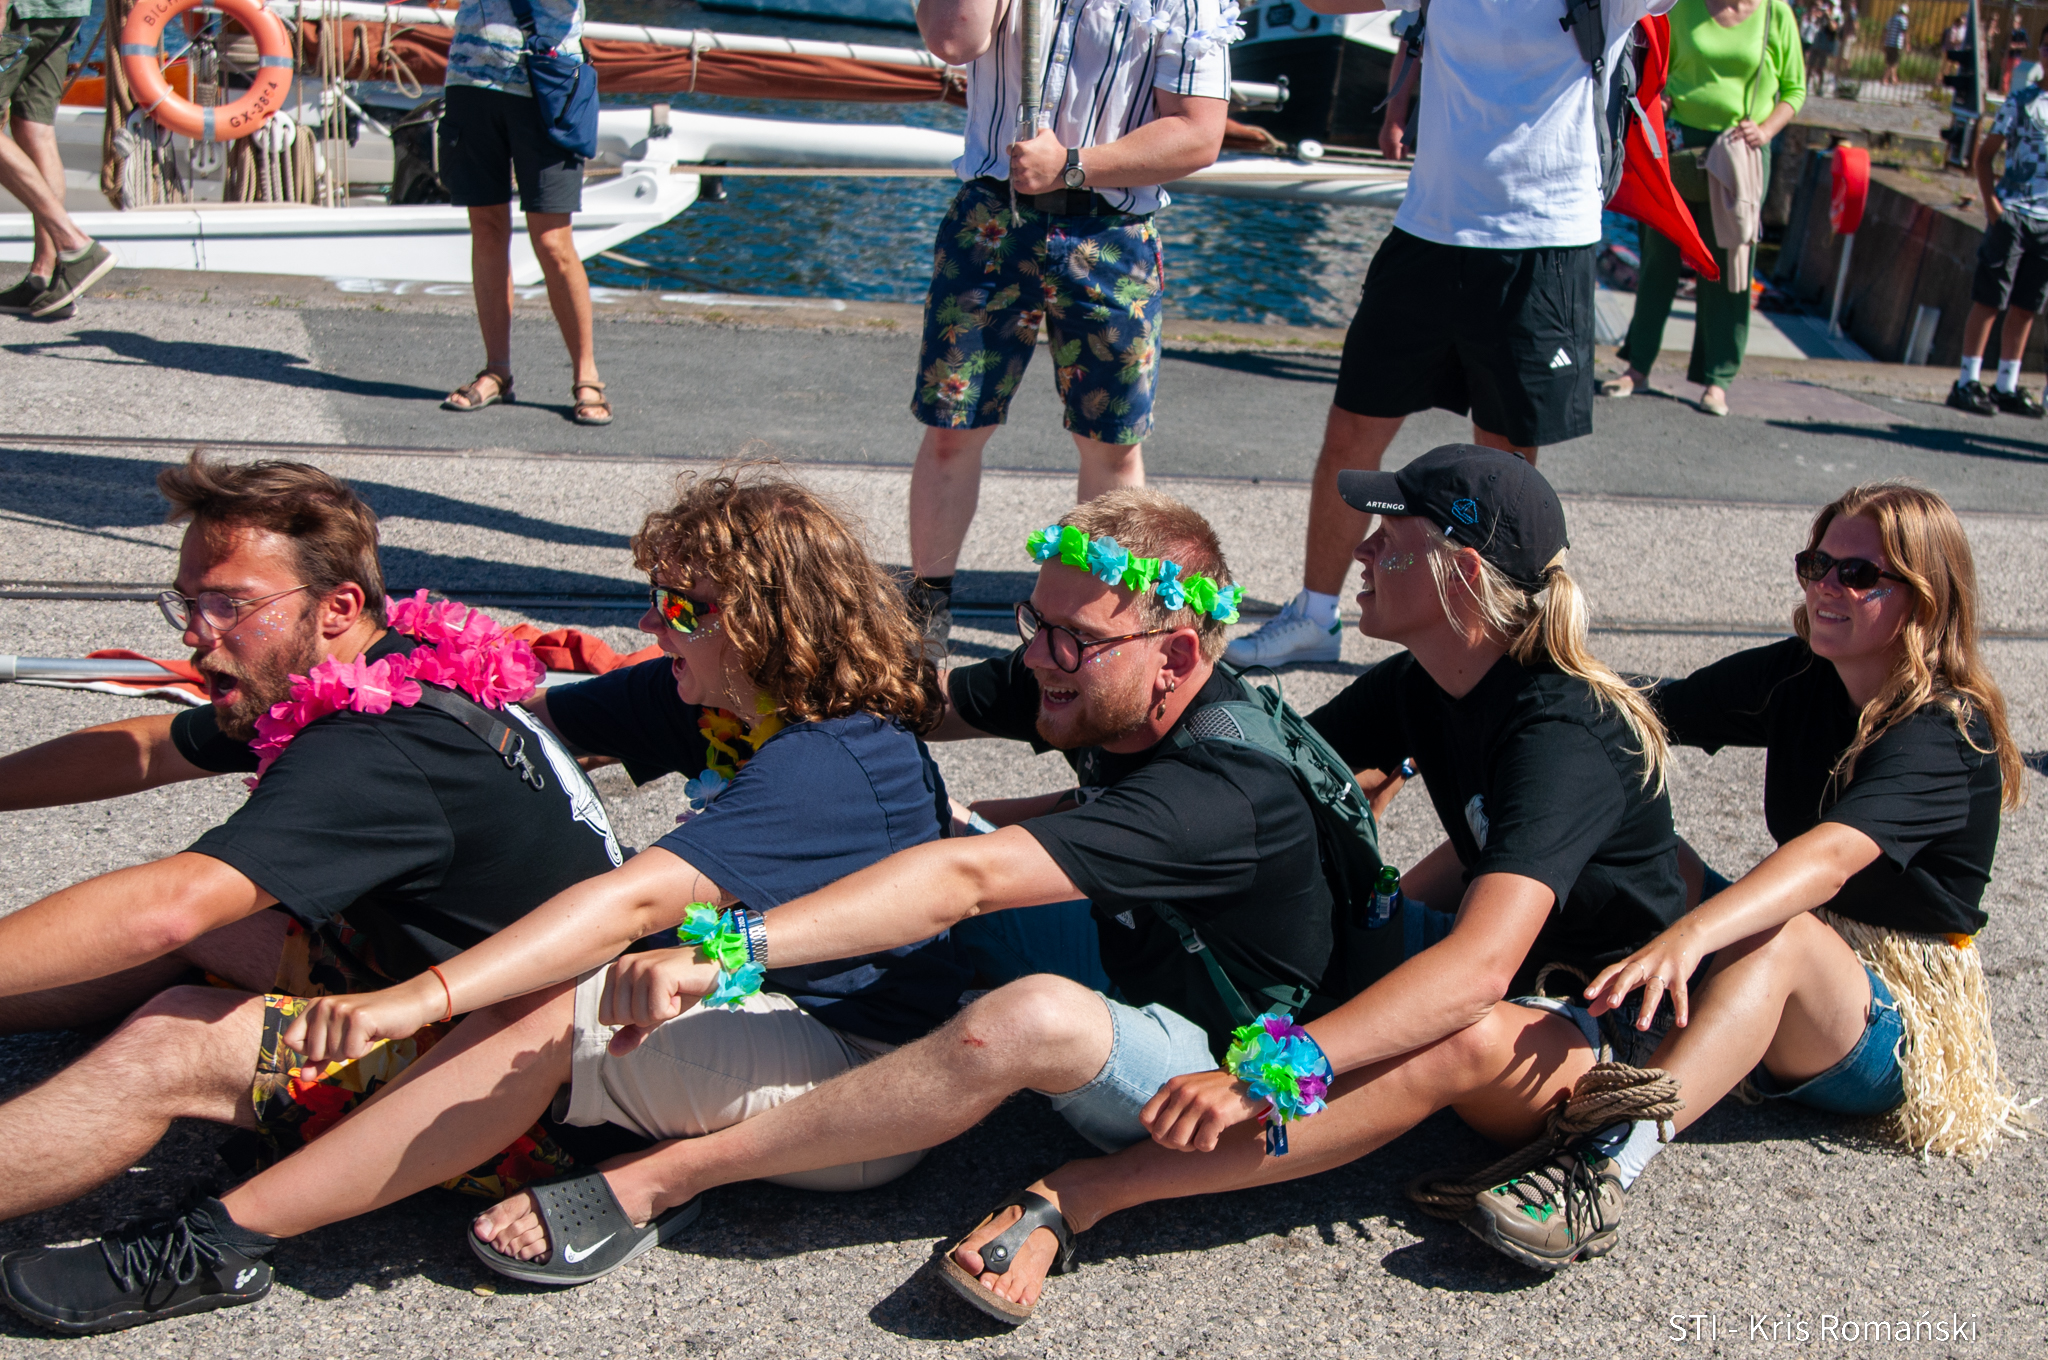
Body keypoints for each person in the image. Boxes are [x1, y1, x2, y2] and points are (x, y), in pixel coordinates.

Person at [0, 469, 993, 1333]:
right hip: (717, 993)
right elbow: (516, 725)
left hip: (850, 1083)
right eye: (656, 600)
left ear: (771, 620)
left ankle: (218, 1243)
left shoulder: (830, 759)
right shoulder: (703, 693)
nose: (651, 625)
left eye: (681, 608)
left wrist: (416, 999)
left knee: (545, 1001)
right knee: (250, 934)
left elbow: (625, 905)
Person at [0, 453, 624, 1236]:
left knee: (174, 1039)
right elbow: (154, 747)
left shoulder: (376, 750)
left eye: (228, 603)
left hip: (536, 1096)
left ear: (337, 607)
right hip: (455, 985)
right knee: (219, 923)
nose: (195, 633)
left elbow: (168, 909)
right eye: (189, 601)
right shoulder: (391, 660)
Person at [1462, 481, 2025, 1268]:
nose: (1827, 588)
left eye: (1858, 575)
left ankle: (1601, 1168)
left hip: (1891, 1016)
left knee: (1778, 935)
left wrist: (1690, 935)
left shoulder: (1946, 728)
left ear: (1926, 596)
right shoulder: (1803, 675)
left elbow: (1829, 860)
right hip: (1798, 951)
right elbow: (1640, 713)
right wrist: (1475, 715)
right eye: (1816, 565)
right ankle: (1485, 972)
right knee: (1642, 838)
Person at [1226, 0, 1676, 670]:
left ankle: (1499, 642)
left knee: (1505, 469)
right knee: (1350, 434)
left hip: (1542, 240)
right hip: (1428, 232)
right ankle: (1316, 615)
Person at [902, 0, 1233, 658]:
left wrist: (1074, 164)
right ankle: (925, 615)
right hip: (992, 220)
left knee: (1110, 447)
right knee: (952, 429)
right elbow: (952, 40)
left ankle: (1097, 624)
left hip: (1111, 235)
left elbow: (1199, 133)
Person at [1601, 0, 1806, 418]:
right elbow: (1652, 65)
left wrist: (1766, 130)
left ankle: (1718, 379)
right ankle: (1637, 367)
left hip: (1738, 155)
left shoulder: (1775, 13)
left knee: (1730, 268)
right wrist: (1661, 101)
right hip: (1676, 146)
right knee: (1656, 261)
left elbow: (1795, 89)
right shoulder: (1682, 6)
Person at [435, 0, 610, 425]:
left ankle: (587, 377)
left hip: (548, 81)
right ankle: (497, 371)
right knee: (487, 229)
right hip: (471, 78)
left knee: (553, 242)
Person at [1949, 31, 2048, 420]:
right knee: (1990, 297)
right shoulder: (2021, 101)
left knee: (2027, 304)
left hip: (2046, 221)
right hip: (2014, 213)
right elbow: (1984, 156)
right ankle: (1967, 379)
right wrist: (1993, 207)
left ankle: (2006, 383)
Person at [0, 0, 114, 319]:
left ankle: (73, 244)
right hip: (64, 11)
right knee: (35, 129)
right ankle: (47, 277)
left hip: (17, 13)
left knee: (34, 130)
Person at [1881, 2, 1909, 83]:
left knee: (1890, 62)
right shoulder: (1903, 20)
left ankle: (1894, 78)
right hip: (1896, 44)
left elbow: (1885, 30)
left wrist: (1883, 42)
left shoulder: (1891, 19)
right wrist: (1907, 44)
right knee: (1893, 62)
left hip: (1888, 43)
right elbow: (1905, 32)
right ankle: (1885, 78)